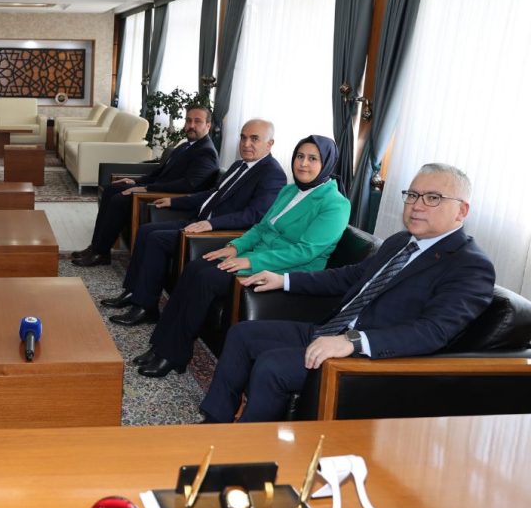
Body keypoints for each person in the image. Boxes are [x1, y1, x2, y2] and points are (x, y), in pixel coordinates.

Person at [199, 163, 495, 423]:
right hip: (331, 330)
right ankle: (214, 422)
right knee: (242, 335)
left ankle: (245, 452)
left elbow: (432, 332)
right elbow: (350, 276)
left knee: (272, 366)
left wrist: (353, 342)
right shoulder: (400, 242)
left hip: (369, 358)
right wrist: (284, 280)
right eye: (413, 195)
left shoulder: (470, 266)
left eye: (433, 198)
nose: (417, 206)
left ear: (462, 211)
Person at [137, 135, 350, 378]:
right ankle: (161, 345)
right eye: (300, 156)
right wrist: (235, 247)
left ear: (327, 163)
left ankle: (173, 355)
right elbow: (261, 228)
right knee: (196, 267)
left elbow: (305, 251)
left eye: (313, 159)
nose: (303, 164)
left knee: (206, 279)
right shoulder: (290, 190)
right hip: (257, 255)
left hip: (287, 270)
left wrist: (250, 261)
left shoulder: (335, 204)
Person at [102, 119, 286, 326]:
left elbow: (254, 215)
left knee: (157, 239)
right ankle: (133, 292)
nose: (246, 144)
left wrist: (212, 224)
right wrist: (175, 201)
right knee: (145, 231)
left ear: (270, 144)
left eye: (254, 139)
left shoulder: (272, 174)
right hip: (199, 222)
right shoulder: (239, 165)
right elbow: (213, 193)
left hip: (219, 233)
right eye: (243, 138)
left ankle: (145, 307)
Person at [72, 105, 220, 267]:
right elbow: (160, 172)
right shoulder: (186, 145)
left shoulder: (206, 152)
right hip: (157, 189)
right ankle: (96, 247)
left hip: (171, 199)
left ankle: (100, 252)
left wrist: (147, 189)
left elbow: (189, 185)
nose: (191, 125)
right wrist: (136, 182)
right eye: (188, 120)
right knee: (110, 190)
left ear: (208, 125)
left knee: (120, 199)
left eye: (197, 121)